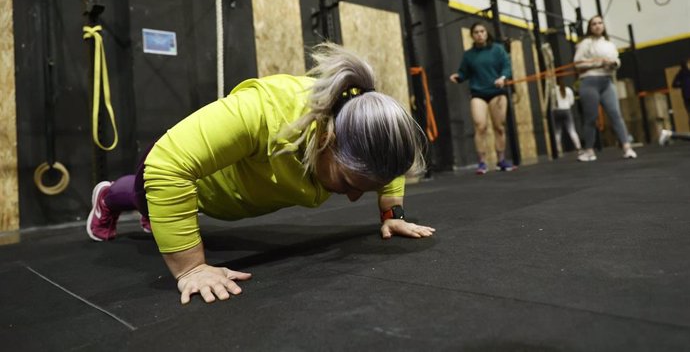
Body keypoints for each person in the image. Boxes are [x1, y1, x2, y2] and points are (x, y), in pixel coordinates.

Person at [86, 44, 435, 304]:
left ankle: (161, 215)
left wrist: (392, 212)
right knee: (140, 194)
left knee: (162, 212)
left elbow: (384, 163)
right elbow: (166, 167)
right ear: (327, 139)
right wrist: (192, 268)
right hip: (174, 176)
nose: (356, 196)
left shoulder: (358, 122)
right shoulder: (263, 112)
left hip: (221, 196)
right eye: (348, 183)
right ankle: (107, 197)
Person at [449, 22, 515, 174]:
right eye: (476, 32)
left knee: (499, 127)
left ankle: (501, 160)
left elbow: (507, 66)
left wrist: (503, 77)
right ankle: (482, 163)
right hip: (478, 93)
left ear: (487, 33)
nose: (479, 34)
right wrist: (458, 77)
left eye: (482, 31)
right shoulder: (469, 55)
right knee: (480, 126)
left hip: (496, 92)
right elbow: (464, 72)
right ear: (472, 35)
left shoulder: (498, 50)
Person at [573, 15, 637, 161]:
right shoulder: (585, 44)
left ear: (603, 26)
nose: (597, 26)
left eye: (600, 23)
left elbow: (616, 61)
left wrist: (613, 64)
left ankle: (627, 147)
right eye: (594, 24)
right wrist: (598, 63)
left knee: (615, 115)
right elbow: (577, 64)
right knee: (591, 117)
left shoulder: (609, 44)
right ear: (590, 27)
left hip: (606, 82)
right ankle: (589, 150)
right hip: (589, 82)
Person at [552, 79, 582, 155]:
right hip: (566, 110)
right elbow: (572, 102)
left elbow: (552, 102)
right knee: (572, 130)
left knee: (557, 132)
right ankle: (579, 148)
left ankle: (558, 150)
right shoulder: (568, 90)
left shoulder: (553, 90)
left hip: (557, 111)